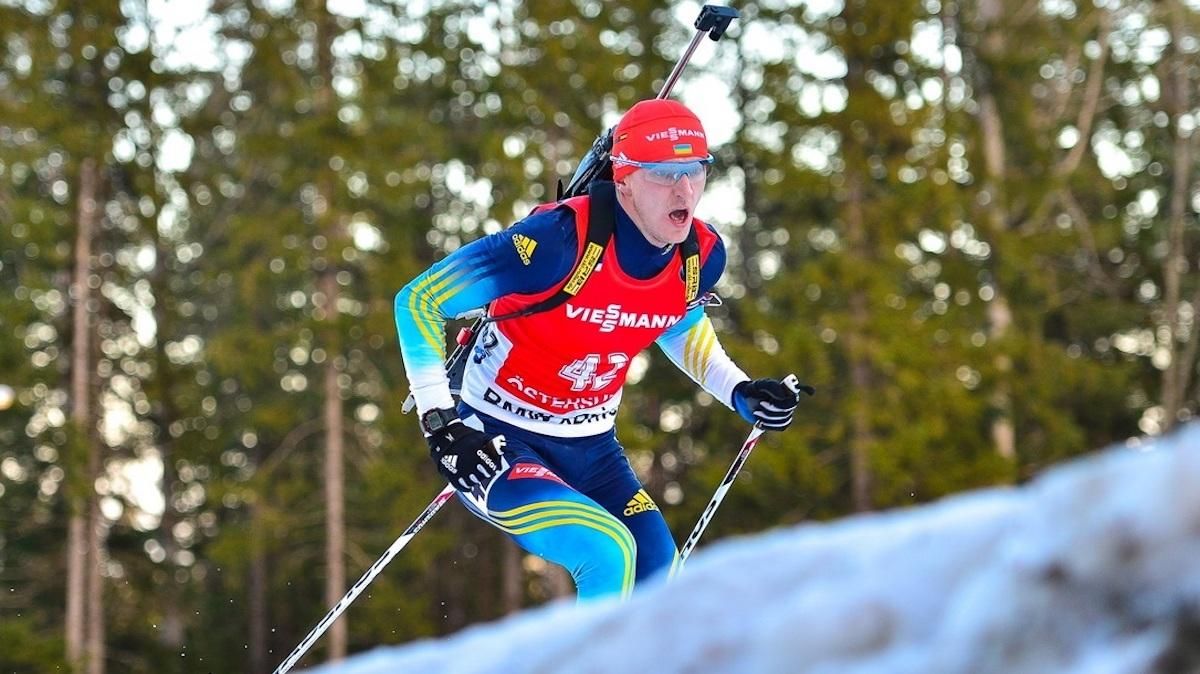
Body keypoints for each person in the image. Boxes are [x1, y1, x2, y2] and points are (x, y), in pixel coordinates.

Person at [394, 99, 810, 601]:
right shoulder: (557, 242)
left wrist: (739, 390)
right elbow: (419, 300)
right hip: (496, 442)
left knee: (658, 571)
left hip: (593, 450)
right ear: (624, 177)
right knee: (606, 550)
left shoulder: (700, 255)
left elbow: (673, 320)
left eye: (695, 169)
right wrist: (442, 427)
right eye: (664, 174)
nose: (685, 189)